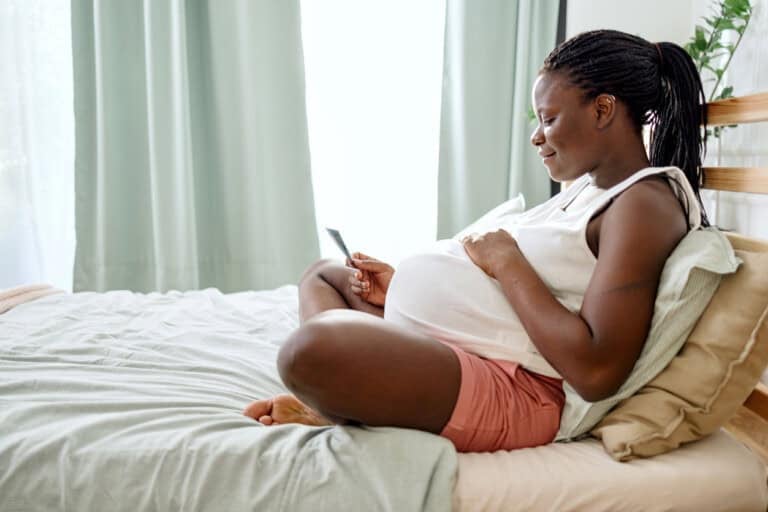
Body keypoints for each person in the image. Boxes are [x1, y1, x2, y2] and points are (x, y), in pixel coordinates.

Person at [243, 29, 709, 453]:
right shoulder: (592, 189)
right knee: (323, 274)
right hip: (473, 350)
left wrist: (507, 260)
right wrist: (403, 285)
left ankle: (334, 402)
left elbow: (595, 371)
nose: (536, 135)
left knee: (308, 351)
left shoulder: (644, 204)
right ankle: (342, 397)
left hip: (520, 389)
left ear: (603, 110)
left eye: (548, 119)